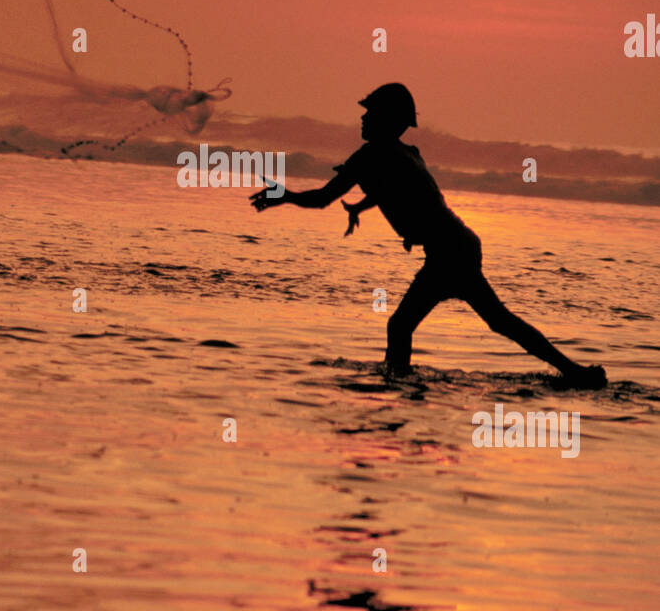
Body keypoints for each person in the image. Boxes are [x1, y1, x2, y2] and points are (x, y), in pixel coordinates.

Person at [250, 83, 606, 388]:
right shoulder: (405, 153)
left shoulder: (370, 156)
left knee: (402, 325)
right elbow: (397, 190)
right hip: (459, 243)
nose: (362, 118)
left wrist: (286, 196)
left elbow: (324, 198)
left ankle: (397, 385)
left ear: (388, 120)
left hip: (448, 252)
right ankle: (574, 372)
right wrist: (361, 207)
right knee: (498, 321)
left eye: (369, 112)